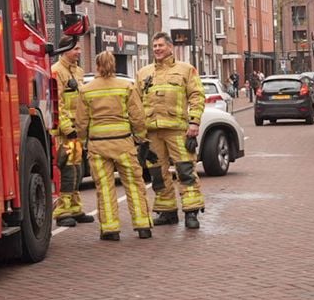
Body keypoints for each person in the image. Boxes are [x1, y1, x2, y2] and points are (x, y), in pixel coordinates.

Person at [77, 51, 152, 240]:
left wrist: (83, 141)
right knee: (135, 185)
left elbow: (81, 122)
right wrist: (141, 139)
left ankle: (110, 230)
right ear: (114, 65)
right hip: (124, 144)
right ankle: (143, 226)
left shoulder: (87, 90)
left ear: (97, 66)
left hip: (98, 146)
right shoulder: (126, 86)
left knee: (104, 187)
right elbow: (138, 116)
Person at [137, 32, 206, 229]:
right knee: (157, 173)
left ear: (170, 47)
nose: (157, 49)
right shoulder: (143, 73)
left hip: (178, 131)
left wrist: (194, 123)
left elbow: (196, 96)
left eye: (160, 45)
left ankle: (191, 212)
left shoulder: (186, 70)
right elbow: (135, 102)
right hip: (152, 132)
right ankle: (167, 212)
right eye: (155, 46)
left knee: (185, 170)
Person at [50, 48, 95, 228]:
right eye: (75, 48)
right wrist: (67, 128)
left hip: (75, 132)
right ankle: (62, 212)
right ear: (65, 50)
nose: (79, 51)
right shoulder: (56, 71)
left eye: (79, 48)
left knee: (77, 169)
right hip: (64, 134)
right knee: (68, 171)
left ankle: (75, 208)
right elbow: (57, 103)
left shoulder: (78, 71)